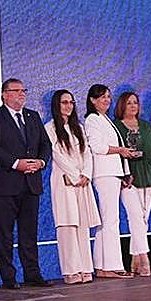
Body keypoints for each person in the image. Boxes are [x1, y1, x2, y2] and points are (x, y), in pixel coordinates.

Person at [0, 78, 52, 289]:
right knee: (4, 233)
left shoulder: (32, 116)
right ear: (4, 94)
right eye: (16, 91)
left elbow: (45, 145)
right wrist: (16, 163)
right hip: (7, 184)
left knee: (29, 233)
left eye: (23, 90)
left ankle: (32, 274)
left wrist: (40, 162)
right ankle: (8, 277)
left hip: (31, 183)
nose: (21, 94)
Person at [46, 90, 101, 284]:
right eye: (64, 102)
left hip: (82, 182)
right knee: (67, 225)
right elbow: (57, 154)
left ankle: (86, 268)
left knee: (83, 225)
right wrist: (75, 175)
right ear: (56, 105)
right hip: (64, 180)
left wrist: (86, 173)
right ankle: (71, 270)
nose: (68, 106)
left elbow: (87, 153)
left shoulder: (78, 127)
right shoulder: (50, 128)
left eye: (71, 102)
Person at [84, 84, 134, 278]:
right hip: (104, 173)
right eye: (102, 97)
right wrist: (121, 151)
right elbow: (97, 147)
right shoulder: (92, 119)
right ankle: (112, 266)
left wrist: (124, 172)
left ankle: (104, 266)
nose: (106, 100)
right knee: (110, 220)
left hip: (113, 172)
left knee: (108, 220)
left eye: (108, 97)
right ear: (92, 100)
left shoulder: (105, 119)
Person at [113, 91, 151, 276]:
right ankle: (144, 257)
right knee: (135, 216)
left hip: (149, 176)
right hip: (128, 178)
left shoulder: (146, 126)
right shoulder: (116, 127)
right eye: (129, 103)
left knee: (143, 220)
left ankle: (134, 257)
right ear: (122, 106)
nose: (133, 106)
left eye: (135, 102)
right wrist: (123, 174)